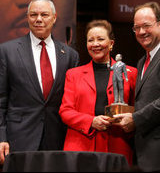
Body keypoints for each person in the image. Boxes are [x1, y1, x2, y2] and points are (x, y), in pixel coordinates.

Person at [0, 0, 79, 163]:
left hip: (57, 137)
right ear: (28, 18)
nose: (38, 19)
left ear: (54, 18)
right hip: (18, 137)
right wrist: (0, 138)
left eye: (44, 14)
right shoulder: (8, 51)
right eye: (33, 15)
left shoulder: (69, 55)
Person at [59, 19, 137, 165]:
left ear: (111, 43)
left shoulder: (131, 73)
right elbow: (65, 111)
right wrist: (91, 121)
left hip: (118, 146)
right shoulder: (73, 74)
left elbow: (137, 110)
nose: (95, 44)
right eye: (90, 40)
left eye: (100, 39)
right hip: (80, 147)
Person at [113, 2, 160, 171]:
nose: (141, 32)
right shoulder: (143, 61)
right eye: (136, 28)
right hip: (145, 153)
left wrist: (135, 119)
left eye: (146, 26)